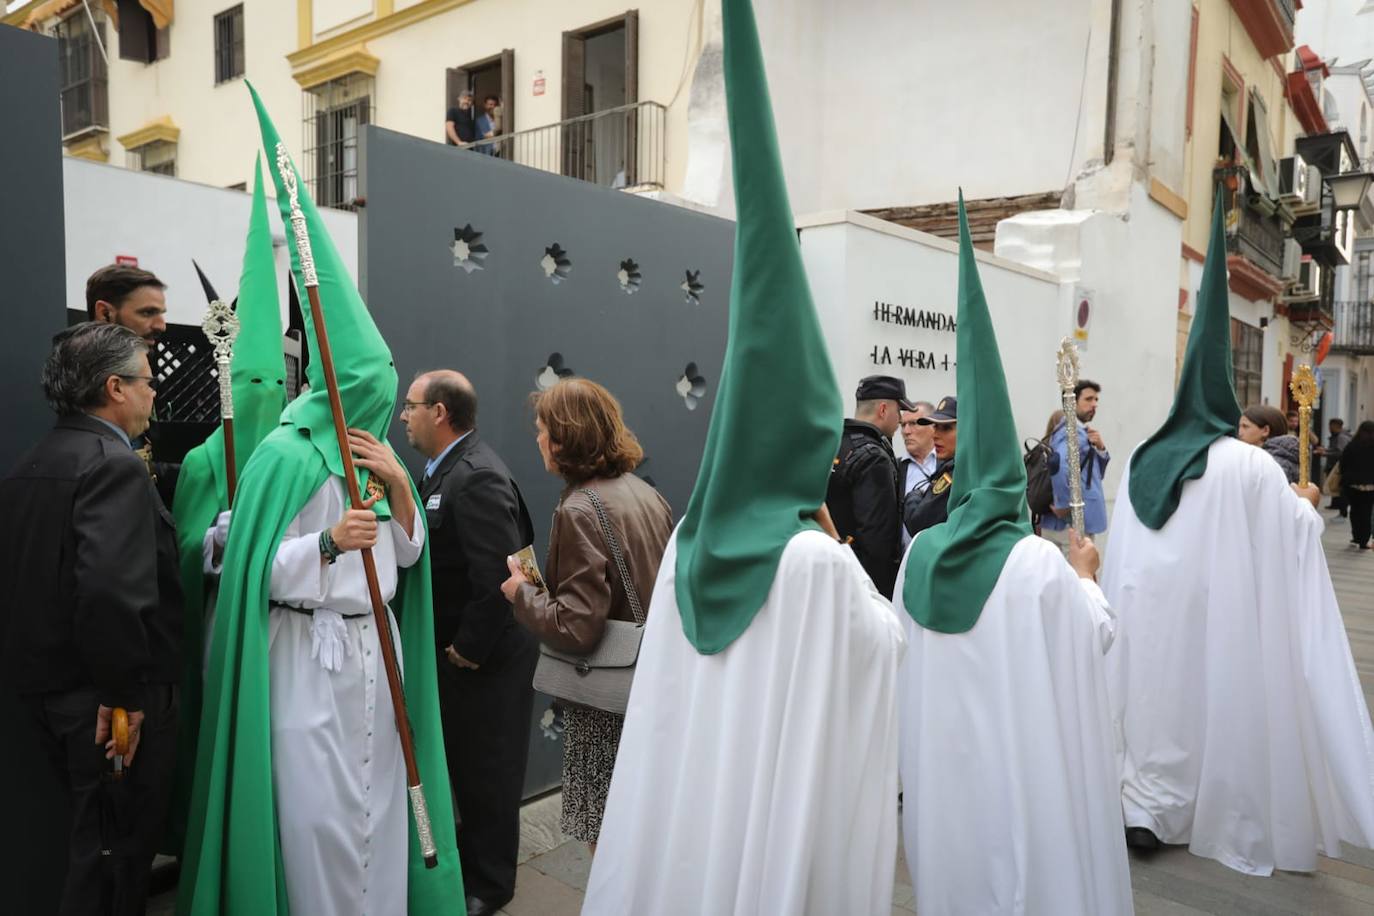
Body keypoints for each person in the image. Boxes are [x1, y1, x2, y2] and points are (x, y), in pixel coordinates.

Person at [582, 3, 905, 907]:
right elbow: (884, 651)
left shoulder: (693, 538)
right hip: (767, 826)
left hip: (694, 818)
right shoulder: (813, 563)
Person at [177, 86, 462, 915]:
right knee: (315, 828)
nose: (379, 399)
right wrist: (331, 544)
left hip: (377, 662)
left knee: (376, 825)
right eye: (369, 384)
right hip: (305, 666)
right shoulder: (282, 457)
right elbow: (258, 572)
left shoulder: (373, 454)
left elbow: (405, 564)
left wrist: (403, 498)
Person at [1102, 193, 1374, 875]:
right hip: (1212, 614)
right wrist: (1307, 502)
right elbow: (1293, 537)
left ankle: (1142, 801)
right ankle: (1177, 803)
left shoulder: (1140, 456)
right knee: (1204, 704)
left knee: (1152, 704)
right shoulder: (1247, 465)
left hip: (1144, 611)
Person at [894, 200, 1131, 915]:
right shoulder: (1033, 564)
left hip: (940, 778)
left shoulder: (921, 556)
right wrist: (1087, 580)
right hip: (1014, 769)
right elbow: (1091, 641)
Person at [1, 322, 182, 916]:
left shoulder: (34, 461)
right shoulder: (114, 465)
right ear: (115, 387)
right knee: (115, 853)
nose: (154, 392)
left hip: (47, 693)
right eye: (147, 381)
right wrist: (122, 697)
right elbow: (108, 592)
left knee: (91, 842)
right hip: (106, 707)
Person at [167, 157, 288, 855]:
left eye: (277, 381)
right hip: (220, 620)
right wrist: (219, 541)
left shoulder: (295, 451)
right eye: (256, 382)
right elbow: (186, 549)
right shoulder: (210, 457)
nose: (268, 394)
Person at [501, 377, 673, 852]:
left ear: (565, 437)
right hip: (650, 685)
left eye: (542, 430)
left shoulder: (579, 508)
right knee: (645, 837)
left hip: (604, 701)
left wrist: (521, 592)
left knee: (609, 844)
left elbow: (576, 626)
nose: (537, 439)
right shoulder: (643, 493)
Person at [403, 369, 535, 916]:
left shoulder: (476, 475)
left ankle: (490, 888)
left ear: (440, 412)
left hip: (487, 660)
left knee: (487, 774)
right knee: (466, 770)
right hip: (466, 655)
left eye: (411, 406)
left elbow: (503, 576)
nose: (403, 417)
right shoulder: (446, 471)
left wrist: (469, 650)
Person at [87, 263, 179, 502]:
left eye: (161, 313)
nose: (161, 325)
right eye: (147, 312)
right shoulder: (77, 376)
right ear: (105, 313)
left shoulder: (146, 367)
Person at [826, 374, 910, 597]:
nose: (901, 419)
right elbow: (877, 541)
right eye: (899, 411)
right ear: (883, 409)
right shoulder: (874, 457)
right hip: (861, 586)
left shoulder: (831, 445)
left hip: (827, 572)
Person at [1040, 380, 1111, 544]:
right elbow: (1060, 466)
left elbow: (1093, 474)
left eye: (1096, 400)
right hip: (1072, 525)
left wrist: (1100, 448)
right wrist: (1063, 504)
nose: (1094, 404)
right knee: (1078, 569)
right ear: (1072, 402)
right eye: (1088, 399)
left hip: (1063, 525)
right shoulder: (1071, 432)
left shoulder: (1071, 431)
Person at [903, 395, 957, 538]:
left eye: (946, 428)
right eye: (935, 427)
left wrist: (913, 497)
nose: (935, 435)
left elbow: (919, 524)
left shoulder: (956, 472)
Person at [897, 400, 937, 547]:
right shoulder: (896, 468)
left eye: (914, 423)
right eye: (903, 425)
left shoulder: (951, 466)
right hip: (905, 561)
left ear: (933, 426)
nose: (906, 431)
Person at [1237, 404, 1300, 483]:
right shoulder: (1260, 456)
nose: (1240, 433)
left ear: (1265, 430)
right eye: (1239, 426)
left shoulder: (1274, 463)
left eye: (1245, 426)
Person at [1338, 420, 1374, 550]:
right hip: (1370, 485)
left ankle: (1356, 536)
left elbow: (1343, 463)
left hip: (1352, 484)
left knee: (1355, 510)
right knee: (1367, 512)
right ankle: (1364, 541)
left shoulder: (1352, 445)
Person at [1320, 418, 1353, 516]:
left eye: (1330, 426)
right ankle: (1335, 504)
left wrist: (1325, 453)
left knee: (1337, 485)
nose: (1329, 428)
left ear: (1335, 426)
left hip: (1338, 465)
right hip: (1336, 464)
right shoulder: (1339, 436)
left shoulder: (1341, 437)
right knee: (1335, 485)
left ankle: (1340, 507)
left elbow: (1339, 452)